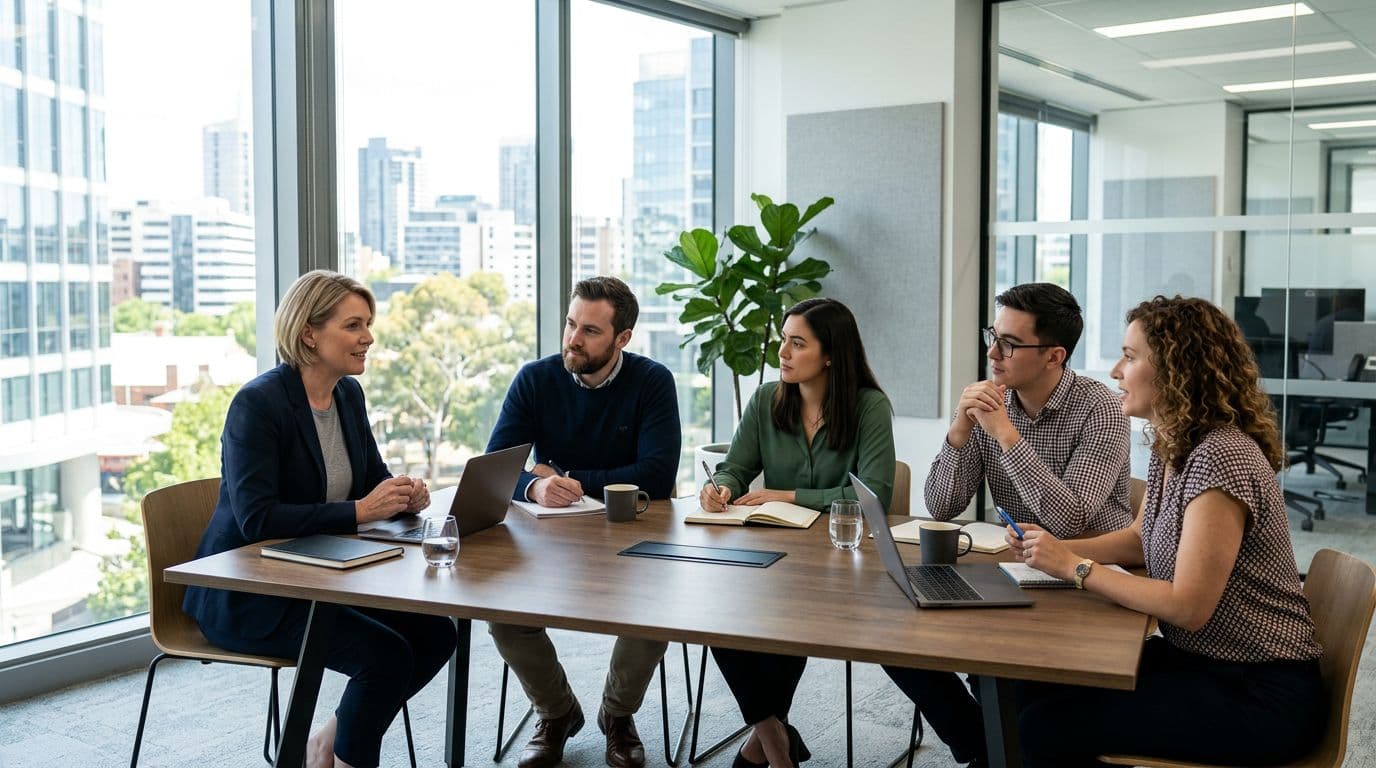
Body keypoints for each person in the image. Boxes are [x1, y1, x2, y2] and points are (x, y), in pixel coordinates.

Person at [1012, 295, 1324, 766]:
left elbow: (1187, 607)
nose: (1116, 370)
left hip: (1258, 690)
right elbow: (1140, 538)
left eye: (1131, 357)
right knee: (1028, 680)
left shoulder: (1221, 457)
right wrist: (1051, 549)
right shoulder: (1175, 444)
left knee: (1045, 725)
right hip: (1204, 663)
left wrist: (1074, 566)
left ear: (1178, 370)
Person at [183, 270, 457, 768]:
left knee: (438, 632)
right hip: (253, 592)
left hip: (323, 575)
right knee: (386, 657)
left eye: (368, 324)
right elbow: (257, 519)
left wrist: (400, 494)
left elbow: (369, 478)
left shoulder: (347, 394)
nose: (368, 337)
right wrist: (359, 511)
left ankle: (326, 742)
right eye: (353, 325)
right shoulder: (257, 405)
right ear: (310, 333)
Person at [881, 282, 1133, 766]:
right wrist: (960, 428)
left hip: (1091, 580)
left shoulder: (1101, 409)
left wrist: (1004, 432)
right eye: (992, 337)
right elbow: (941, 504)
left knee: (1021, 690)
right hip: (1016, 570)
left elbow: (1070, 519)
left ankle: (1001, 750)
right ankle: (985, 750)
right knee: (893, 635)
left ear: (1054, 355)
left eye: (1010, 344)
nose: (993, 354)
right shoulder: (994, 401)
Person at [485, 275, 681, 768]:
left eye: (590, 331)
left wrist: (566, 476)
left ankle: (617, 715)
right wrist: (534, 485)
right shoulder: (535, 378)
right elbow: (494, 467)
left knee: (654, 613)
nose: (573, 338)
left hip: (633, 535)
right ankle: (556, 712)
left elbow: (656, 476)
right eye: (571, 324)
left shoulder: (653, 381)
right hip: (550, 539)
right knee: (502, 612)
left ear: (622, 339)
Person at [699, 297, 895, 768]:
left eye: (797, 343)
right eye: (784, 340)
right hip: (768, 553)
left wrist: (788, 495)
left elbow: (876, 498)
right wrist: (720, 488)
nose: (783, 352)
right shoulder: (767, 399)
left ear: (830, 354)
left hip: (839, 564)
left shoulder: (870, 407)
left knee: (789, 618)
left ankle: (763, 744)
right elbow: (737, 467)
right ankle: (774, 738)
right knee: (715, 615)